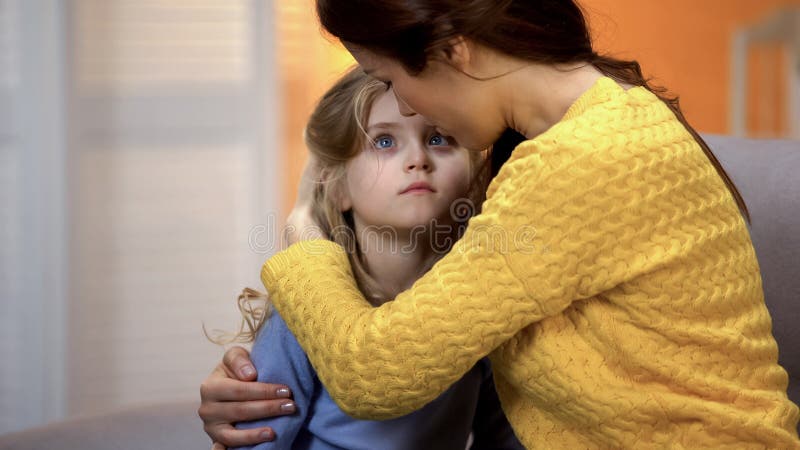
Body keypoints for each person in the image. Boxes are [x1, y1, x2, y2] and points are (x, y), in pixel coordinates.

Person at [202, 1, 800, 448]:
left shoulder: (584, 161)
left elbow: (372, 374)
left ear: (452, 51)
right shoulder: (595, 125)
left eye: (389, 78)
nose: (404, 104)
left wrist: (307, 242)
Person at [205, 67, 523, 449]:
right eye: (385, 142)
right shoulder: (303, 315)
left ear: (473, 177)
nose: (418, 158)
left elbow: (505, 436)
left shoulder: (481, 304)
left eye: (439, 138)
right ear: (339, 189)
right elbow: (259, 440)